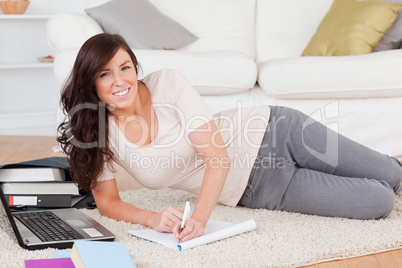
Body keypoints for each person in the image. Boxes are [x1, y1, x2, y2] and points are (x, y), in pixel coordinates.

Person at [58, 33, 402, 243]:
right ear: (92, 83)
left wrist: (199, 220)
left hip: (277, 129)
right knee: (379, 201)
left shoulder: (167, 83)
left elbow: (217, 156)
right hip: (259, 188)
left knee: (392, 174)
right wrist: (152, 218)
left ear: (135, 67)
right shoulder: (96, 134)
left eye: (125, 67)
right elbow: (107, 204)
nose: (120, 81)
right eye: (105, 73)